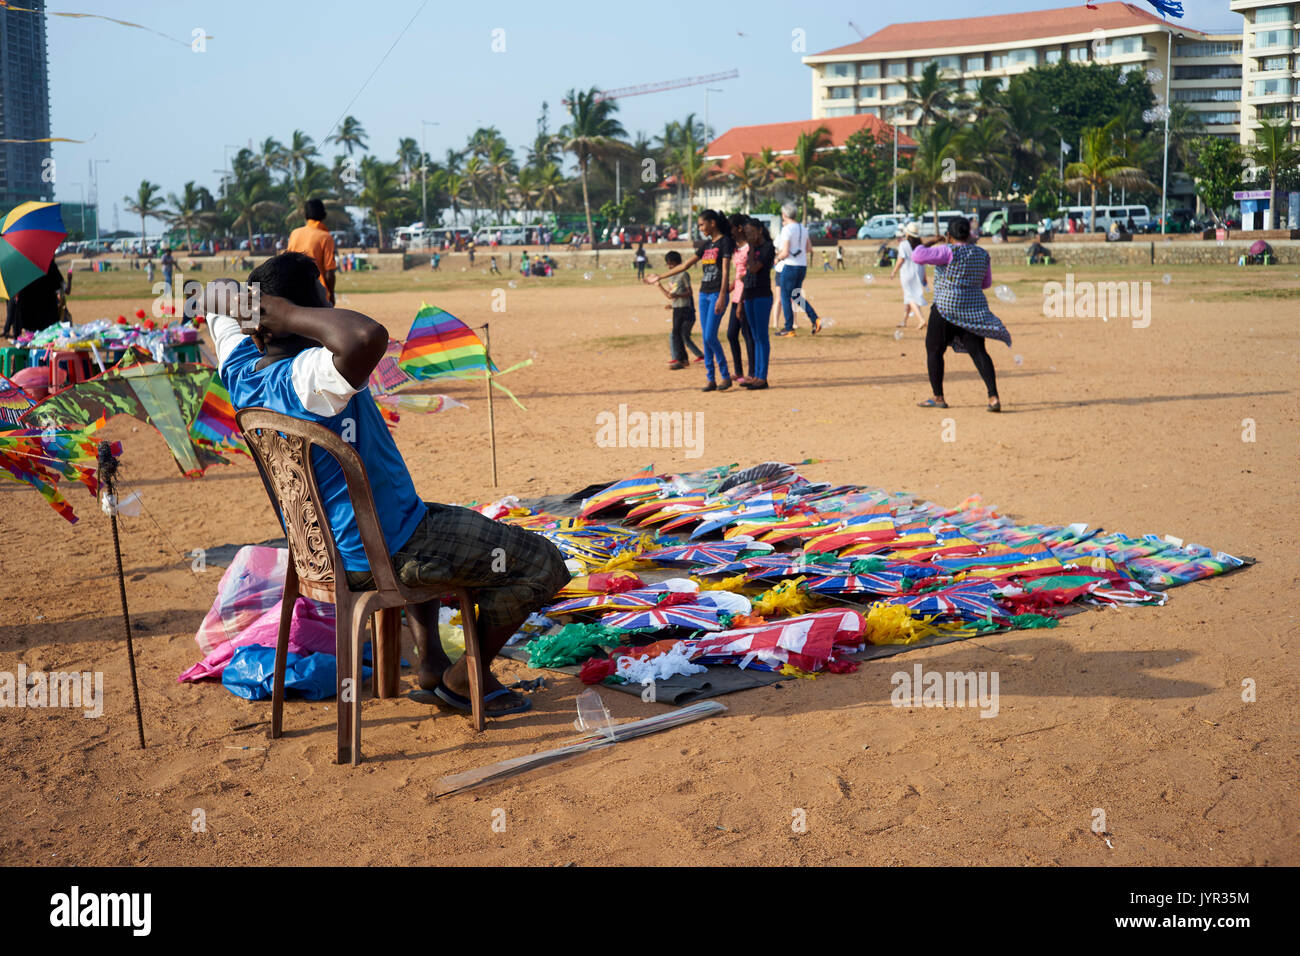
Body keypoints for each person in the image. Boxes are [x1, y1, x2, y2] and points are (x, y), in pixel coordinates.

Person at [205, 255, 569, 716]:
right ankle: (463, 680)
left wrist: (257, 309)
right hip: (381, 552)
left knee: (431, 516)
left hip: (325, 551)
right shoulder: (310, 375)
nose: (328, 303)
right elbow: (366, 336)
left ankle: (433, 663)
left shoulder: (239, 368)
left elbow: (211, 294)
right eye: (320, 297)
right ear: (287, 313)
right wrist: (288, 314)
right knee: (543, 562)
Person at [912, 217, 1010, 413]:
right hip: (972, 310)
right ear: (969, 234)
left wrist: (933, 241)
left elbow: (917, 255)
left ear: (949, 235)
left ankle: (938, 396)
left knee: (934, 350)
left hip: (945, 308)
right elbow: (985, 283)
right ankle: (993, 397)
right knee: (979, 352)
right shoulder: (982, 254)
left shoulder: (947, 251)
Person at [644, 209, 733, 392]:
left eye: (702, 224)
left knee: (709, 336)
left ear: (712, 223)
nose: (700, 228)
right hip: (704, 294)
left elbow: (725, 271)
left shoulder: (725, 242)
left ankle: (725, 376)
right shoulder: (707, 245)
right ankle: (710, 378)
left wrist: (723, 295)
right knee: (707, 338)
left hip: (717, 293)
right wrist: (659, 277)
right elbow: (684, 265)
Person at [775, 203, 822, 336]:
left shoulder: (787, 229)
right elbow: (809, 249)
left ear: (784, 215)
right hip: (802, 266)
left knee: (785, 296)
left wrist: (777, 259)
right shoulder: (803, 228)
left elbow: (785, 253)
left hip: (790, 266)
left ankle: (789, 328)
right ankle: (815, 319)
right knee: (796, 295)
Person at [739, 217, 775, 390]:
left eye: (751, 232)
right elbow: (747, 273)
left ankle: (762, 377)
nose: (748, 236)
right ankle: (755, 375)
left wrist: (752, 248)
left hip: (762, 295)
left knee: (762, 336)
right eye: (746, 233)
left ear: (760, 230)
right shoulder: (750, 250)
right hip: (749, 294)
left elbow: (753, 268)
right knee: (754, 336)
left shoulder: (767, 247)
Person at [655, 250, 703, 369]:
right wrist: (659, 286)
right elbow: (670, 295)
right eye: (668, 264)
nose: (669, 266)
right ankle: (682, 359)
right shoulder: (672, 277)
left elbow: (689, 292)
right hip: (677, 308)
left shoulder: (683, 275)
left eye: (671, 264)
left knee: (678, 334)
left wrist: (678, 297)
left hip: (685, 309)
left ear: (678, 263)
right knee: (676, 334)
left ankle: (681, 359)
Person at [286, 199, 338, 305]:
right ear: (324, 215)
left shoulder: (294, 234)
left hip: (295, 290)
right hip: (317, 293)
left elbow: (287, 262)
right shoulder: (326, 237)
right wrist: (331, 294)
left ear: (305, 215)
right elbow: (329, 272)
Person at [725, 213, 755, 385]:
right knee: (731, 334)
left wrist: (741, 303)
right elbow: (737, 276)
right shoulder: (736, 248)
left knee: (747, 334)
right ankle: (738, 371)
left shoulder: (749, 248)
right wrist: (725, 290)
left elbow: (746, 277)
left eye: (731, 227)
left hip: (745, 296)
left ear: (739, 228)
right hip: (736, 295)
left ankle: (751, 372)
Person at [890, 222, 928, 331]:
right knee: (911, 296)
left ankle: (921, 319)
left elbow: (900, 260)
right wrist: (924, 276)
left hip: (907, 274)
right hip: (918, 273)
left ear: (907, 234)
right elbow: (923, 262)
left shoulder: (903, 245)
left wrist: (894, 271)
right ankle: (904, 320)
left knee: (910, 297)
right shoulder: (920, 246)